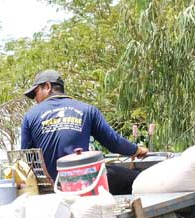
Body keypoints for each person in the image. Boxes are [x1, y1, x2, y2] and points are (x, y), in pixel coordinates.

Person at [20, 70, 149, 194]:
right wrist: (136, 150)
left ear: (47, 86)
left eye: (36, 93)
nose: (35, 99)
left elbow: (26, 159)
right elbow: (113, 142)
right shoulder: (87, 110)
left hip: (54, 187)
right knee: (139, 178)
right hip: (86, 182)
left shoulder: (30, 116)